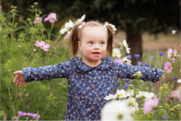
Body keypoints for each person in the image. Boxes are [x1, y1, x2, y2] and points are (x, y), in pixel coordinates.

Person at [13, 21, 163, 120]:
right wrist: (27, 74)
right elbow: (50, 71)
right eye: (91, 43)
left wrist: (155, 75)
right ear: (80, 45)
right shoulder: (72, 67)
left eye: (102, 43)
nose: (97, 47)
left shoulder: (112, 66)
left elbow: (133, 71)